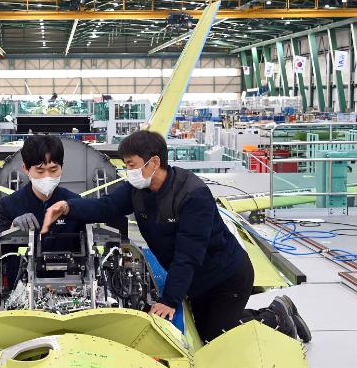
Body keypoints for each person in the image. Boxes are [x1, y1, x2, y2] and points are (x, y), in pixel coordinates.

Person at [41, 130, 311, 343]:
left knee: (213, 335)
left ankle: (277, 317)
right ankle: (275, 311)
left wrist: (169, 300)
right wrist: (68, 206)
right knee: (203, 321)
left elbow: (188, 255)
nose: (128, 171)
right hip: (198, 279)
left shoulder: (192, 195)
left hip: (225, 277)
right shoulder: (137, 189)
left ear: (153, 162)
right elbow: (106, 206)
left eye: (131, 165)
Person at [0, 135, 83, 238]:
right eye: (40, 171)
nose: (47, 177)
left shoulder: (76, 202)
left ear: (62, 167)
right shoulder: (7, 206)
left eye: (53, 170)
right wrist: (13, 228)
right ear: (26, 169)